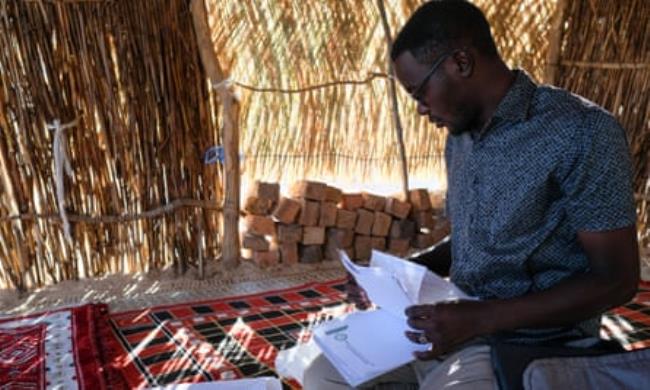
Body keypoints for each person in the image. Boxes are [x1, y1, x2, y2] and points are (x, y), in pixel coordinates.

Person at [303, 0, 640, 388]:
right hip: (452, 329)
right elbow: (471, 238)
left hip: (531, 346)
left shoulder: (582, 132)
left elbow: (617, 279)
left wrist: (481, 318)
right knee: (322, 377)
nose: (420, 110)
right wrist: (399, 274)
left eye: (418, 92)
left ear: (460, 63)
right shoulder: (460, 137)